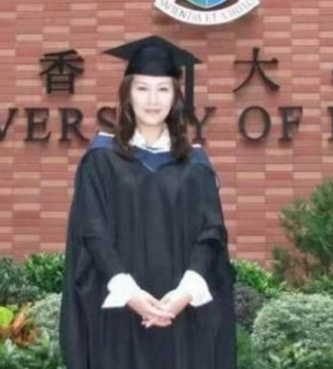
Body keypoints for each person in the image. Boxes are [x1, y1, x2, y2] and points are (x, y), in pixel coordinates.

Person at [59, 35, 236, 369]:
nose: (153, 100)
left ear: (176, 97)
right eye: (142, 88)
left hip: (181, 313)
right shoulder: (102, 159)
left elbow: (211, 233)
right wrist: (131, 294)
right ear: (128, 94)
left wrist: (185, 292)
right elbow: (93, 232)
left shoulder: (195, 165)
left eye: (163, 89)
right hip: (120, 310)